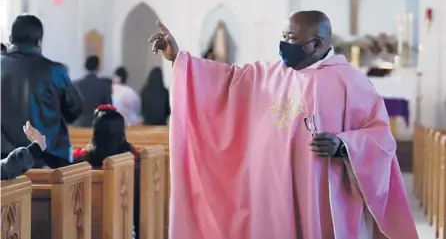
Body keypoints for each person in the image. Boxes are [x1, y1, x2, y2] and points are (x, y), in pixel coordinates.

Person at [149, 12, 418, 239]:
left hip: (318, 193)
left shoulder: (350, 82)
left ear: (317, 43)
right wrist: (178, 59)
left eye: (292, 39)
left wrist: (344, 145)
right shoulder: (268, 74)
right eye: (284, 36)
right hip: (272, 191)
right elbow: (227, 80)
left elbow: (380, 138)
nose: (284, 44)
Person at [1, 14, 82, 168]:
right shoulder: (55, 71)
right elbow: (74, 110)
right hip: (49, 161)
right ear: (39, 41)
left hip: (4, 165)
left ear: (11, 39)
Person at [71, 104, 140, 239]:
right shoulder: (131, 156)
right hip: (125, 220)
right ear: (121, 131)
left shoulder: (81, 157)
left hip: (86, 223)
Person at [73, 55, 112, 127]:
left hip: (78, 124)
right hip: (98, 124)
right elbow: (108, 107)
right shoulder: (104, 85)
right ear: (98, 67)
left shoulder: (75, 85)